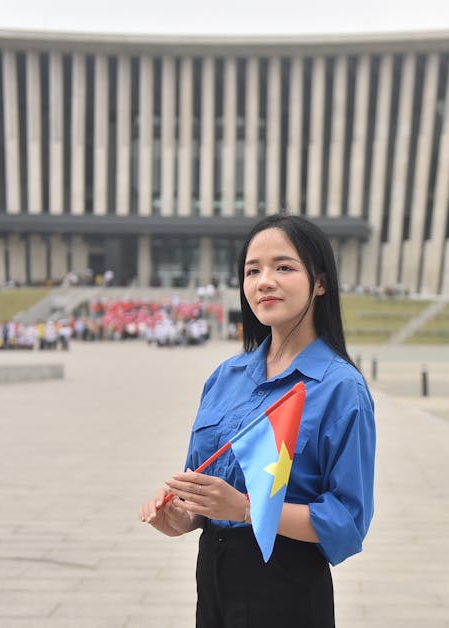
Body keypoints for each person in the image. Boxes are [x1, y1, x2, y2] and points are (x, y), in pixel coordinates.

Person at [139, 213, 375, 627]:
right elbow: (202, 489)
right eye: (252, 270)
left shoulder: (340, 388)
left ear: (320, 282)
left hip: (285, 582)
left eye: (283, 267)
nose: (264, 281)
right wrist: (181, 517)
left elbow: (346, 520)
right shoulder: (226, 377)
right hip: (213, 576)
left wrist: (248, 509)